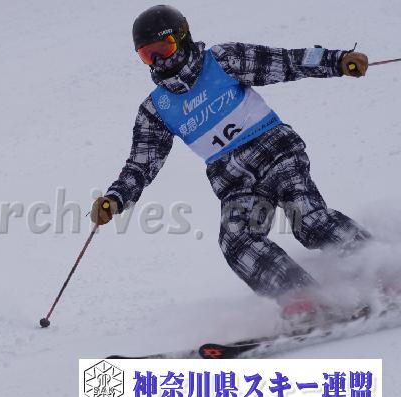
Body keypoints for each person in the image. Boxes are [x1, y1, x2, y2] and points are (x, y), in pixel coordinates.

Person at [90, 5, 371, 322]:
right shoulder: (156, 109)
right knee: (237, 242)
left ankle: (380, 267)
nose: (160, 61)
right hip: (235, 182)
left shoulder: (222, 61)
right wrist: (116, 198)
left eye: (164, 48)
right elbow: (141, 163)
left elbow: (285, 62)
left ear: (183, 36)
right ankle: (304, 298)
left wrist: (337, 61)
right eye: (148, 55)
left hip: (275, 152)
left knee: (307, 219)